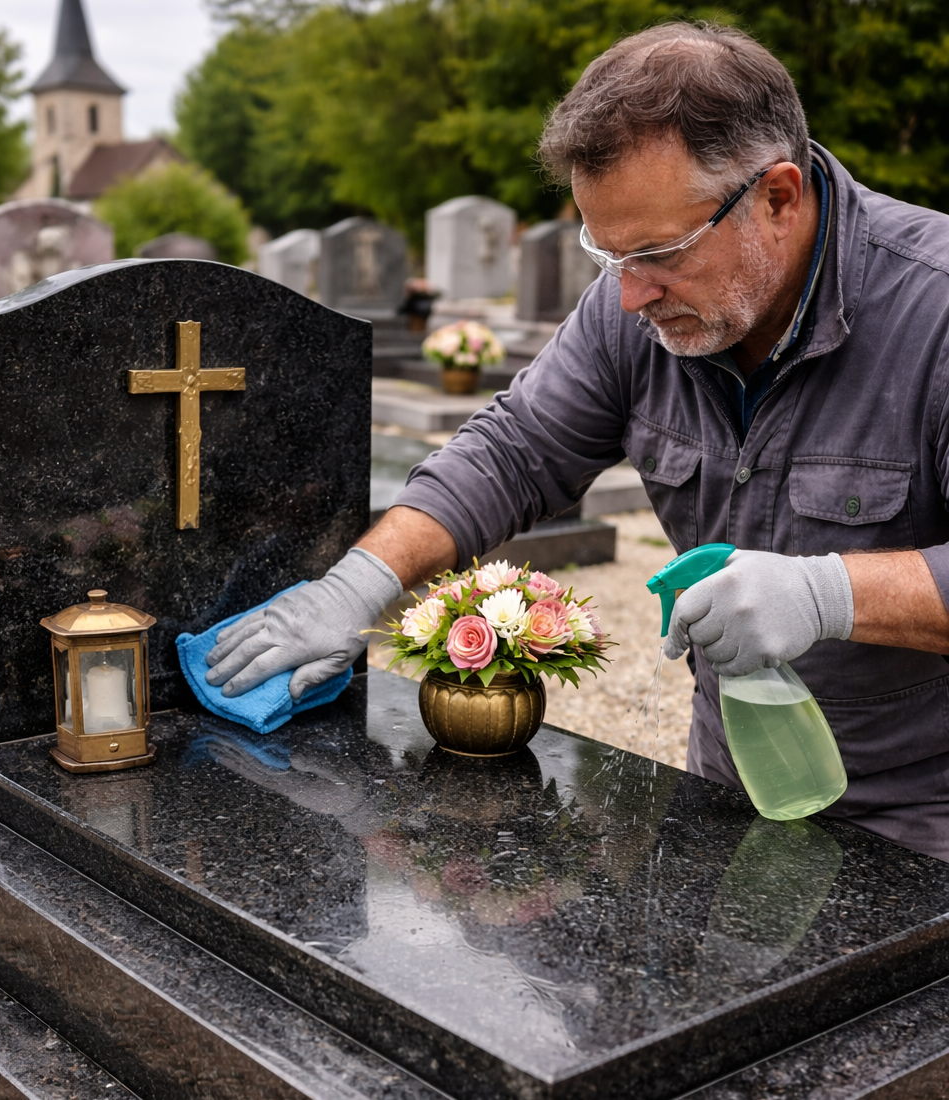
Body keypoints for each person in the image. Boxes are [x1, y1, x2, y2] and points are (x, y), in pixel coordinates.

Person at [207, 23, 949, 862]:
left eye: (659, 253)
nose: (630, 298)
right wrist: (355, 587)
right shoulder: (639, 305)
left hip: (925, 813)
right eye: (609, 255)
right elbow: (514, 450)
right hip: (731, 782)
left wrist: (826, 595)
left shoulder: (936, 308)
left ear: (777, 198)